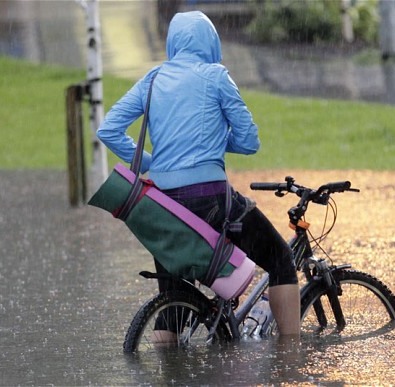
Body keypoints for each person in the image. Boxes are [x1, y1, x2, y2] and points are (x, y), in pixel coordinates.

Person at [97, 11, 300, 339]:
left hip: (162, 205)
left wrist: (150, 161)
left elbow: (108, 129)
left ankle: (166, 371)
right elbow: (249, 141)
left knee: (171, 297)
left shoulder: (152, 80)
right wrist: (214, 143)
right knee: (279, 259)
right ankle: (292, 357)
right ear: (212, 42)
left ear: (172, 43)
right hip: (211, 199)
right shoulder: (216, 76)